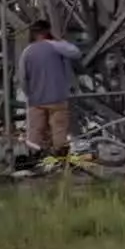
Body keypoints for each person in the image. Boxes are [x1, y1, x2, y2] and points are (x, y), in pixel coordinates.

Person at [18, 19, 79, 155]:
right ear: (47, 31)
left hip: (36, 99)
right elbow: (75, 52)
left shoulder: (27, 51)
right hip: (57, 97)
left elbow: (22, 77)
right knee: (59, 129)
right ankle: (61, 158)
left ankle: (34, 157)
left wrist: (29, 94)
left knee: (35, 131)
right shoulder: (56, 46)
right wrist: (60, 40)